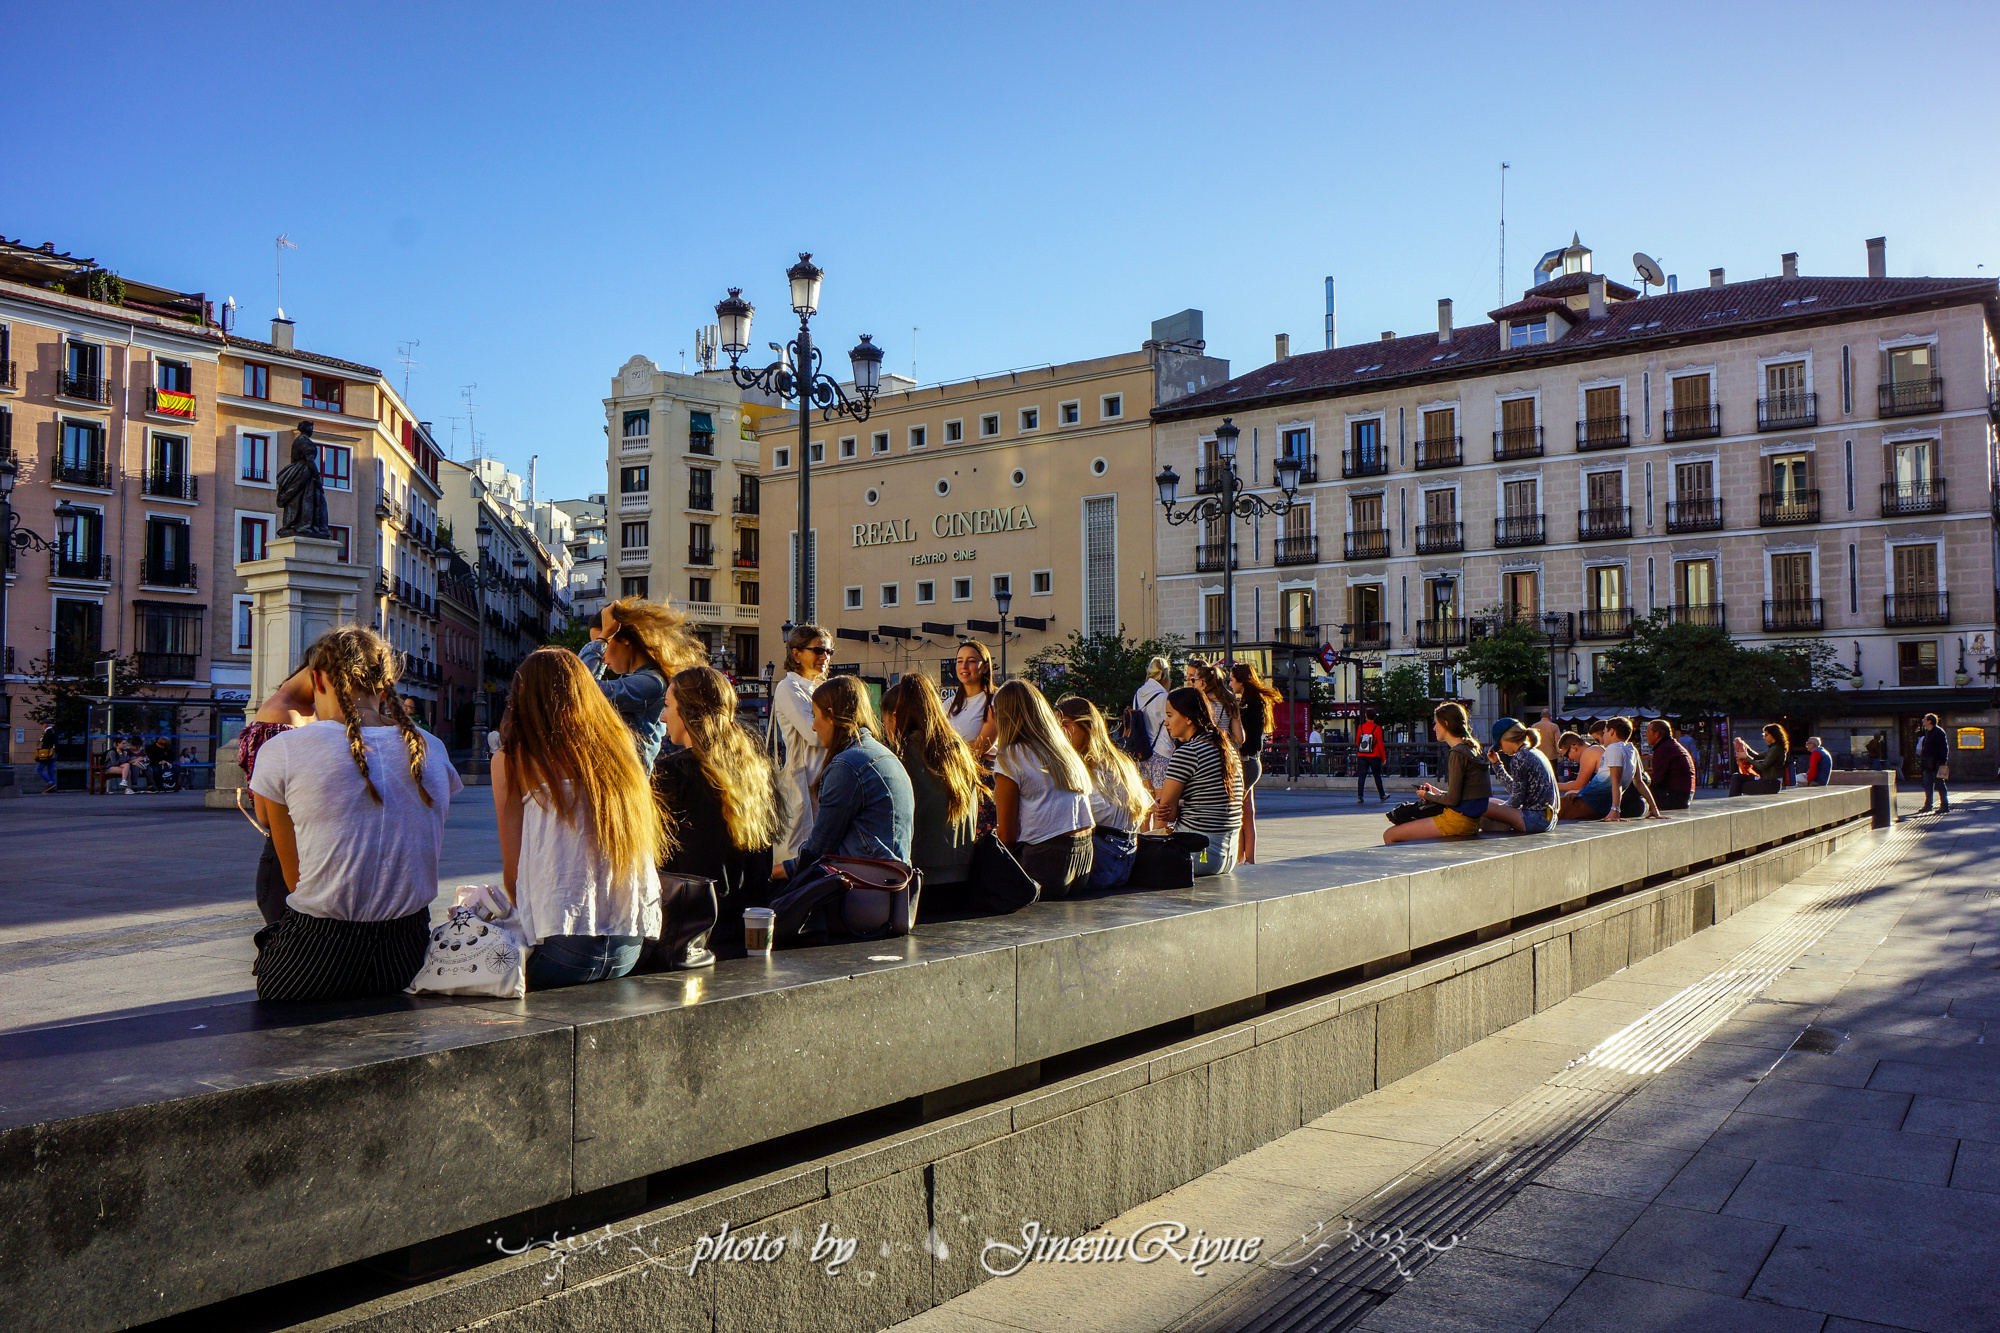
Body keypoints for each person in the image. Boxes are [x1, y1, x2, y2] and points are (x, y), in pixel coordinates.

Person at [249, 625, 462, 1002]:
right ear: (388, 682)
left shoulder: (284, 749)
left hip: (315, 953)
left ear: (316, 679)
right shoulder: (431, 747)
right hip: (408, 949)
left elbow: (294, 875)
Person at [494, 648, 664, 989]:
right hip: (629, 945)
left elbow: (512, 875)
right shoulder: (624, 754)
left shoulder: (513, 759)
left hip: (563, 946)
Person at [656, 665, 778, 959]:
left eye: (668, 706)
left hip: (693, 935)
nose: (663, 716)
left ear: (687, 712)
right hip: (748, 930)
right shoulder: (754, 770)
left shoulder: (671, 773)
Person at [775, 675, 913, 878]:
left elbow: (819, 849)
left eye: (815, 716)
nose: (813, 726)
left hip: (864, 890)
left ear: (831, 716)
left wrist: (775, 871)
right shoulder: (881, 753)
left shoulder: (847, 766)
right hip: (889, 886)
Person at [991, 680, 1095, 898]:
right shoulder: (1062, 749)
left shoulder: (1011, 756)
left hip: (1047, 864)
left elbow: (1007, 837)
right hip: (1084, 858)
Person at [880, 675, 982, 891]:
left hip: (921, 876)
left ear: (895, 717)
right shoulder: (959, 748)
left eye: (884, 721)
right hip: (965, 873)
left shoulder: (905, 754)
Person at [578, 598, 697, 774]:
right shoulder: (638, 679)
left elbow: (578, 688)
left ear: (625, 639)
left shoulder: (651, 683)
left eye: (605, 645)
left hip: (628, 787)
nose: (601, 656)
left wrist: (602, 638)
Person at [240, 666, 320, 924]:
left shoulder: (308, 708)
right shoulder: (281, 713)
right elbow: (266, 815)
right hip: (290, 850)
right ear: (320, 675)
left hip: (309, 847)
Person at [1055, 697, 1151, 889]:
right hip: (1127, 858)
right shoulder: (1121, 762)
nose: (1058, 732)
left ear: (1087, 727)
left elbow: (1093, 815)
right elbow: (1145, 809)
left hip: (1102, 860)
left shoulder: (1086, 766)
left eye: (1065, 725)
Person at [1152, 686, 1243, 876]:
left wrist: (1167, 806)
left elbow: (1166, 814)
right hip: (1229, 855)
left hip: (1197, 855)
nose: (1166, 722)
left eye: (1170, 715)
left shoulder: (1188, 752)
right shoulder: (1228, 749)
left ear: (1187, 717)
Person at [1385, 703, 1492, 843]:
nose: (1434, 728)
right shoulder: (1474, 749)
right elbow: (1464, 795)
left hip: (1457, 821)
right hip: (1471, 821)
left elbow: (1452, 800)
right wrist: (1438, 792)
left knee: (1390, 835)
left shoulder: (1457, 753)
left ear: (1446, 724)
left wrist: (1427, 795)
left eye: (1436, 723)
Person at [772, 623, 832, 864]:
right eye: (818, 651)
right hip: (803, 781)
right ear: (796, 653)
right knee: (799, 855)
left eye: (829, 652)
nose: (824, 657)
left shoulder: (819, 687)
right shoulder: (788, 688)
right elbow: (815, 735)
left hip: (821, 780)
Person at [1231, 662, 1282, 865]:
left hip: (1246, 763)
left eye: (1232, 680)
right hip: (1252, 762)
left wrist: (1234, 713)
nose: (1230, 683)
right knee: (1247, 812)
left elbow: (1242, 738)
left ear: (1242, 681)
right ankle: (1248, 858)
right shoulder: (1255, 701)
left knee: (1238, 812)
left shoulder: (1248, 704)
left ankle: (1243, 857)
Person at [1481, 722, 1559, 835]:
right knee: (1491, 802)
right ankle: (1503, 824)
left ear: (1508, 738)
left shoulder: (1520, 757)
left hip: (1533, 819)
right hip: (1547, 819)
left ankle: (1501, 824)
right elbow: (1516, 789)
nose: (1500, 749)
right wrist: (1497, 764)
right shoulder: (1534, 752)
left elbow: (1516, 800)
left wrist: (1497, 812)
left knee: (1480, 805)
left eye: (1500, 745)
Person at [1598, 717, 1664, 821]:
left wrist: (1615, 810)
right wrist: (1654, 808)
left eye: (1604, 732)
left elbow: (1616, 781)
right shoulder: (1632, 749)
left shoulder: (1613, 748)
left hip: (1598, 800)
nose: (1603, 737)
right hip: (1626, 804)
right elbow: (1639, 782)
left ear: (1611, 731)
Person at [947, 640, 999, 759]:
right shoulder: (949, 704)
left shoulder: (996, 700)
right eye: (960, 661)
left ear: (985, 667)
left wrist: (948, 749)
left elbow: (980, 747)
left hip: (982, 771)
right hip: (953, 771)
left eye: (971, 661)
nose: (964, 666)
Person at [1132, 656, 1174, 792]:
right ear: (1166, 676)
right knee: (1163, 803)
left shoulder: (1138, 693)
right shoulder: (1164, 698)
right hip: (1162, 752)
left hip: (1142, 752)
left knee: (1148, 804)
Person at [1557, 731, 1612, 821]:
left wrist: (1554, 785)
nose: (1569, 759)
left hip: (1598, 803)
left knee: (1554, 808)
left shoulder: (1589, 753)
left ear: (1573, 747)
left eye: (1566, 755)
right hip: (1607, 802)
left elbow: (1579, 784)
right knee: (1570, 794)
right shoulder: (1597, 748)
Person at [1646, 719, 1697, 811]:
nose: (1646, 735)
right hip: (1685, 796)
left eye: (1648, 732)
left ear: (1657, 734)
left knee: (1637, 791)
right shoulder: (1672, 745)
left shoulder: (1664, 749)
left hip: (1675, 798)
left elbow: (1657, 781)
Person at [1730, 724, 1790, 797]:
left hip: (1771, 784)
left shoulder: (1776, 749)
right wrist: (1744, 746)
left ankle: (1733, 802)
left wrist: (1746, 757)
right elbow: (1757, 756)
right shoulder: (1774, 748)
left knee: (1740, 785)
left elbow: (1762, 766)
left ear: (1773, 735)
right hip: (1768, 782)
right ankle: (1734, 801)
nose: (1764, 737)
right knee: (1736, 777)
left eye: (1766, 735)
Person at [1916, 713, 1951, 813]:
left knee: (1939, 784)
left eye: (1925, 719)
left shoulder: (1939, 732)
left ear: (1929, 721)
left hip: (1936, 763)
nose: (1923, 721)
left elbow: (1944, 748)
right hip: (1927, 763)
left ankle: (1944, 805)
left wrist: (1943, 762)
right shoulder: (1927, 732)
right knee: (1927, 784)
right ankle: (1928, 805)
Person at [1354, 708, 1388, 802]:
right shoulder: (1377, 728)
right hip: (1374, 755)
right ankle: (1382, 795)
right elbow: (1380, 743)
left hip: (1362, 754)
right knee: (1377, 776)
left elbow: (1357, 741)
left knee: (1362, 776)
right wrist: (1383, 757)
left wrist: (1361, 750)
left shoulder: (1360, 727)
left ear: (1366, 716)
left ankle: (1360, 796)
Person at [35, 724, 58, 793]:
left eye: (42, 725)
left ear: (45, 725)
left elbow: (47, 741)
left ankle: (50, 782)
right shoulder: (54, 731)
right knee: (50, 770)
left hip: (48, 754)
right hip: (54, 753)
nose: (42, 726)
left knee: (38, 769)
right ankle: (53, 788)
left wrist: (41, 739)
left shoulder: (48, 732)